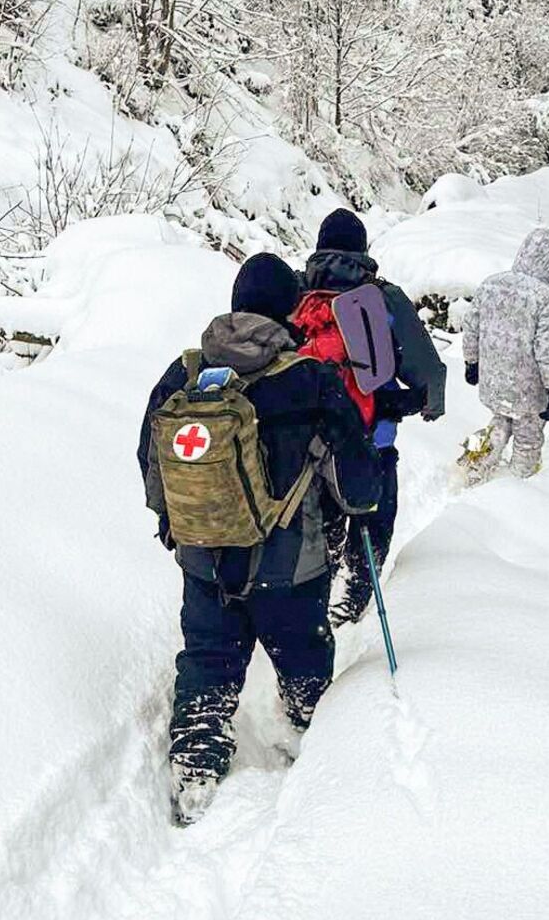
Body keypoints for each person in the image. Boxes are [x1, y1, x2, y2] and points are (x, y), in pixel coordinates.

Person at [138, 253, 382, 826]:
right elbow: (357, 485)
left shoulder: (184, 373)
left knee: (208, 658)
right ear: (289, 308)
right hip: (291, 565)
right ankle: (309, 736)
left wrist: (181, 528)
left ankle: (197, 767)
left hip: (203, 559)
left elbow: (152, 464)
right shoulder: (310, 378)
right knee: (302, 658)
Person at [298, 208, 447, 628]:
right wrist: (427, 404)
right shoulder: (382, 298)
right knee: (374, 519)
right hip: (371, 439)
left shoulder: (298, 293)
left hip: (309, 444)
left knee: (320, 521)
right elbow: (427, 371)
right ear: (363, 250)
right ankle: (357, 596)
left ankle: (317, 588)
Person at [460, 228, 549, 480]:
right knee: (528, 436)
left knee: (499, 421)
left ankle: (471, 462)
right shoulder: (548, 299)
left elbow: (472, 326)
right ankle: (518, 483)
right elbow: (546, 350)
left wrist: (471, 362)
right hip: (527, 388)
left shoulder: (491, 285)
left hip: (494, 379)